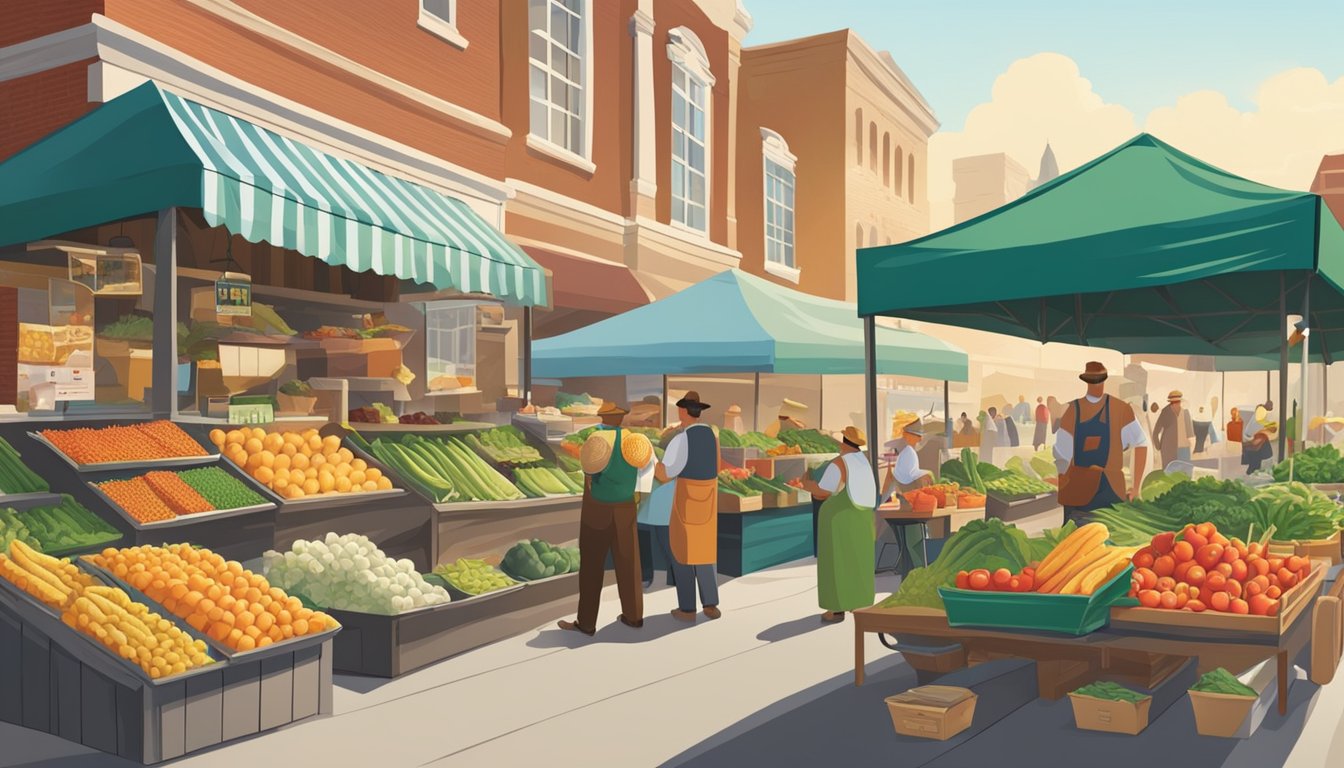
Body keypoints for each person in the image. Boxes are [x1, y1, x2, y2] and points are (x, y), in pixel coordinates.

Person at [558, 402, 656, 636]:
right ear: (621, 420)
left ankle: (587, 623)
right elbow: (646, 472)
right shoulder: (634, 440)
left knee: (592, 566)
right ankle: (634, 616)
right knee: (630, 562)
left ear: (603, 418)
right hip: (626, 507)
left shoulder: (596, 440)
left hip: (597, 508)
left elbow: (589, 472)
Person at [1055, 362, 1149, 524]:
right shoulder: (1074, 410)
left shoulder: (1120, 409)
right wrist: (1135, 487)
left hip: (1106, 489)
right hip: (1086, 490)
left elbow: (1062, 455)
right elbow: (1140, 443)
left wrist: (1136, 487)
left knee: (1088, 540)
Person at [656, 392, 722, 622]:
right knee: (704, 551)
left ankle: (687, 609)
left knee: (682, 552)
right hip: (709, 498)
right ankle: (711, 605)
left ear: (683, 411)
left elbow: (667, 474)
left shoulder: (680, 439)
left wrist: (652, 465)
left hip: (687, 499)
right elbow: (717, 466)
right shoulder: (711, 435)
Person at [801, 426, 877, 623]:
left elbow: (822, 492)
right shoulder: (864, 462)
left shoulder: (840, 463)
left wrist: (805, 483)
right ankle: (860, 602)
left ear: (844, 442)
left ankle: (835, 610)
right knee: (859, 561)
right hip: (862, 520)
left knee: (836, 564)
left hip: (839, 521)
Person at [880, 422, 933, 503]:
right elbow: (901, 477)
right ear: (906, 435)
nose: (920, 439)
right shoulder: (907, 451)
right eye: (918, 435)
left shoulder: (909, 451)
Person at [1152, 391, 1195, 468]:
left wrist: (1191, 445)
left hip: (1184, 448)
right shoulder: (1165, 412)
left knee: (1184, 473)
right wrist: (1159, 447)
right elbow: (1155, 432)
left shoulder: (1185, 412)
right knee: (1169, 472)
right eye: (1174, 402)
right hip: (1168, 448)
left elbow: (1190, 432)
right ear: (1171, 402)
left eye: (1177, 402)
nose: (1176, 404)